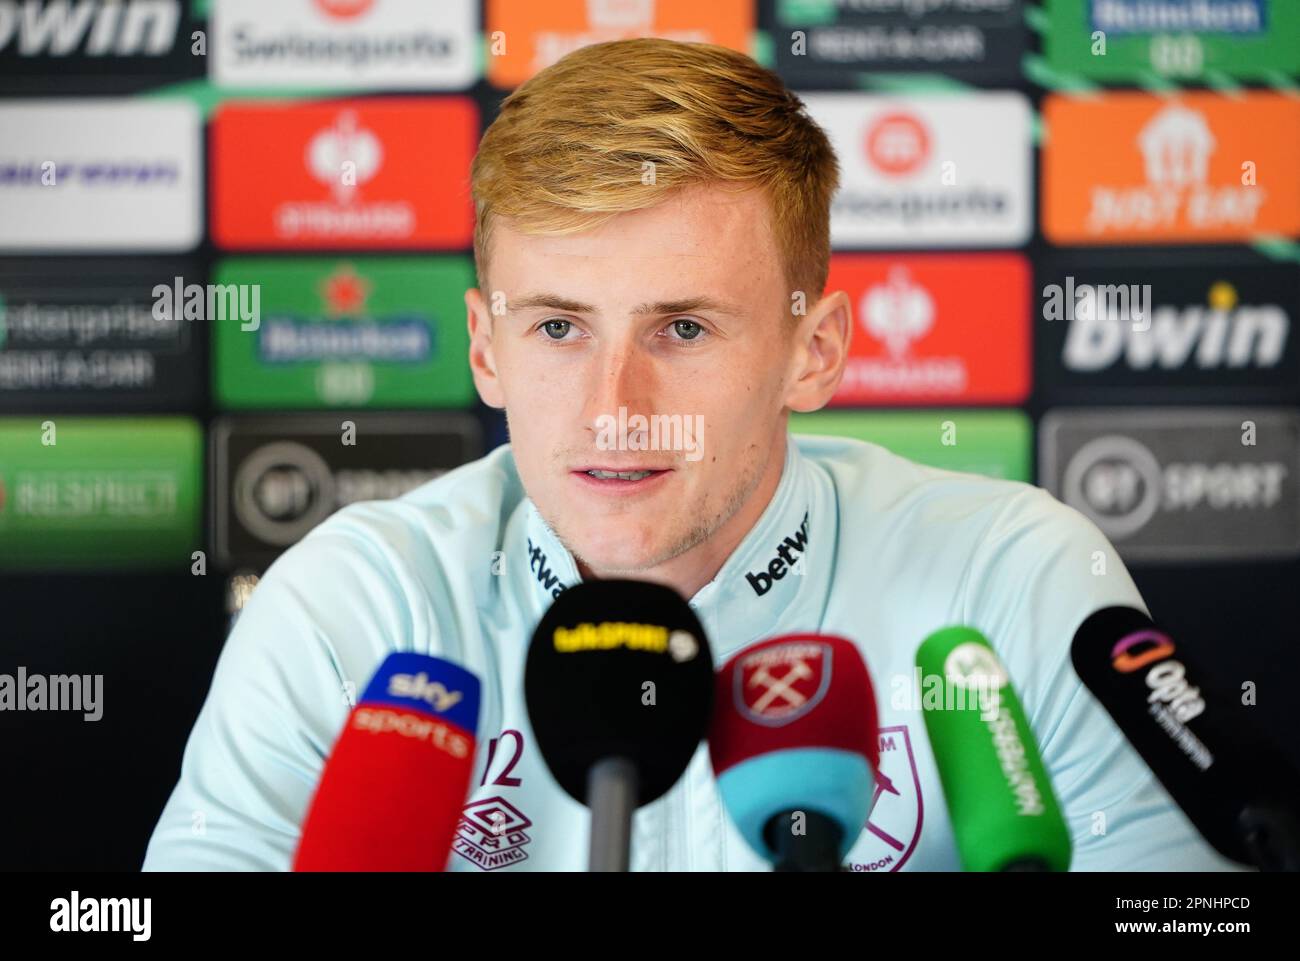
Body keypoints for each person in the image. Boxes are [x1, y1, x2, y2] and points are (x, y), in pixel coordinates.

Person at [144, 38, 1240, 872]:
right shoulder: (359, 604)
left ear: (812, 352)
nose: (614, 406)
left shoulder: (1010, 580)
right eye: (559, 328)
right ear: (486, 349)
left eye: (683, 328)